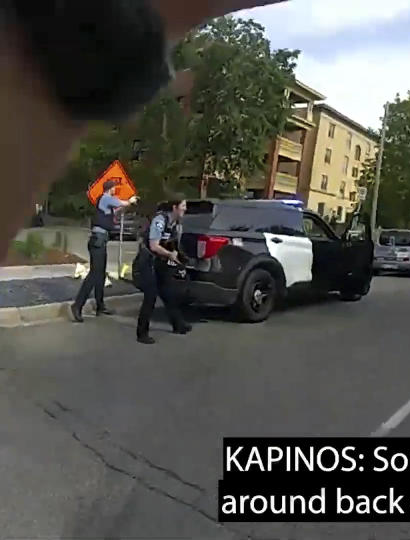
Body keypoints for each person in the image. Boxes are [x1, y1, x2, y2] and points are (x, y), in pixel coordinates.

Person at [0, 0, 286, 259]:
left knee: (98, 280)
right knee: (97, 278)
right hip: (100, 240)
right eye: (184, 206)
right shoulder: (112, 198)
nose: (185, 210)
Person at [69, 180, 138, 322]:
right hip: (98, 241)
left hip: (101, 241)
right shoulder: (105, 198)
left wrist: (127, 205)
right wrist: (129, 200)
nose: (115, 190)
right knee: (95, 274)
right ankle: (77, 305)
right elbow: (121, 203)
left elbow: (117, 211)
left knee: (100, 274)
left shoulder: (107, 204)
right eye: (114, 188)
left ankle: (100, 306)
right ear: (110, 189)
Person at [134, 199, 191, 344]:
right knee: (151, 296)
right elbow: (154, 246)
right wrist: (170, 255)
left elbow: (172, 245)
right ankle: (142, 333)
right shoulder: (160, 220)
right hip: (147, 261)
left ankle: (178, 324)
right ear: (175, 207)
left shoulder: (175, 224)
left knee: (168, 293)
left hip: (160, 262)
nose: (185, 209)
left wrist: (181, 258)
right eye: (183, 206)